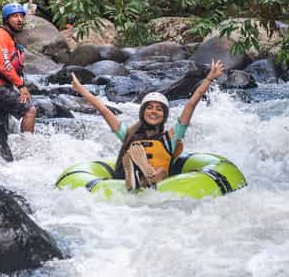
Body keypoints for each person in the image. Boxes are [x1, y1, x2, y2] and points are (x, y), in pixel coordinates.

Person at [70, 60, 225, 189]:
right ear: (143, 111)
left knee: (162, 172)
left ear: (164, 115)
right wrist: (81, 89)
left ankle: (144, 177)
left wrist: (209, 79)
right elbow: (104, 110)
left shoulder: (171, 137)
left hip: (160, 181)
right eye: (149, 108)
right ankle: (138, 173)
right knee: (154, 167)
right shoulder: (129, 134)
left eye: (159, 109)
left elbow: (191, 104)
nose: (153, 111)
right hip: (135, 181)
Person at [0, 2, 36, 133]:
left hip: (3, 86)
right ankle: (29, 147)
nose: (20, 19)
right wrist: (21, 86)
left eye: (21, 16)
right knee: (29, 110)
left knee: (2, 126)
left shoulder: (10, 38)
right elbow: (4, 65)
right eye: (15, 16)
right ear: (6, 19)